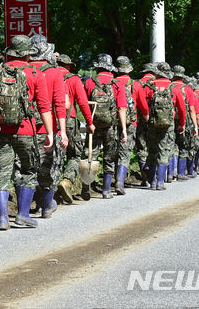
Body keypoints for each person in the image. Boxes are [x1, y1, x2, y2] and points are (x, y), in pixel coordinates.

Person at [0, 35, 53, 230]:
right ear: (28, 54)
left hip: (2, 130)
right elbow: (44, 107)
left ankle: (2, 219)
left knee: (2, 172)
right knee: (28, 169)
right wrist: (50, 132)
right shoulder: (36, 73)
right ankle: (23, 214)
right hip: (26, 129)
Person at [28, 36, 67, 217]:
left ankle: (31, 204)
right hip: (48, 128)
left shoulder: (24, 70)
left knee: (28, 168)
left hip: (26, 128)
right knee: (51, 167)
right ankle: (47, 205)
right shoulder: (55, 72)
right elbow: (60, 104)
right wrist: (63, 131)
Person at [82, 54, 128, 199]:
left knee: (90, 154)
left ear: (98, 66)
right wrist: (124, 130)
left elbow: (84, 104)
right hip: (111, 127)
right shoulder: (116, 84)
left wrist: (89, 122)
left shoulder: (89, 82)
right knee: (109, 157)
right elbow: (121, 109)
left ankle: (86, 187)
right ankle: (106, 190)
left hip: (93, 125)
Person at [140, 63, 186, 189]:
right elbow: (182, 109)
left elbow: (142, 102)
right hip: (168, 125)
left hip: (152, 123)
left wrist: (146, 116)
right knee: (164, 151)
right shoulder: (174, 88)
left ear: (157, 72)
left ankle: (152, 181)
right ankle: (160, 182)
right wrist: (182, 124)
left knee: (153, 150)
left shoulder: (150, 86)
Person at [55, 54, 94, 203]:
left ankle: (50, 188)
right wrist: (89, 122)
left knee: (55, 156)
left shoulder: (48, 74)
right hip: (69, 120)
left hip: (50, 121)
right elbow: (83, 103)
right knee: (74, 154)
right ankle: (66, 181)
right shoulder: (73, 79)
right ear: (69, 66)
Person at [112, 56, 148, 194]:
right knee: (125, 152)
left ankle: (110, 180)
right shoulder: (136, 84)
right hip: (130, 122)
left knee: (112, 151)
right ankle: (120, 183)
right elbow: (143, 105)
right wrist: (145, 116)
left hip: (113, 120)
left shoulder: (112, 83)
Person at [170, 66, 199, 180]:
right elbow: (192, 109)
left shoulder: (170, 87)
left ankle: (170, 173)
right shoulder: (188, 89)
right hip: (185, 120)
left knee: (172, 145)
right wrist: (195, 126)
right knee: (184, 146)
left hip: (171, 119)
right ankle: (181, 173)